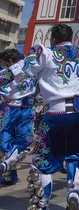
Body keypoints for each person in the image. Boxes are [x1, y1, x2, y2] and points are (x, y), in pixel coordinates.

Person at [9, 21, 79, 210]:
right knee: (76, 154)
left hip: (57, 111)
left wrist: (5, 76)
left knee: (44, 159)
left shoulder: (46, 52)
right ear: (71, 38)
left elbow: (23, 68)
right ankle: (73, 193)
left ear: (53, 39)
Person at [0, 49, 36, 186]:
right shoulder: (31, 67)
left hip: (10, 108)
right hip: (28, 107)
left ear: (9, 61)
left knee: (5, 139)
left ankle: (8, 169)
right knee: (24, 139)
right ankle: (10, 171)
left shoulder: (9, 71)